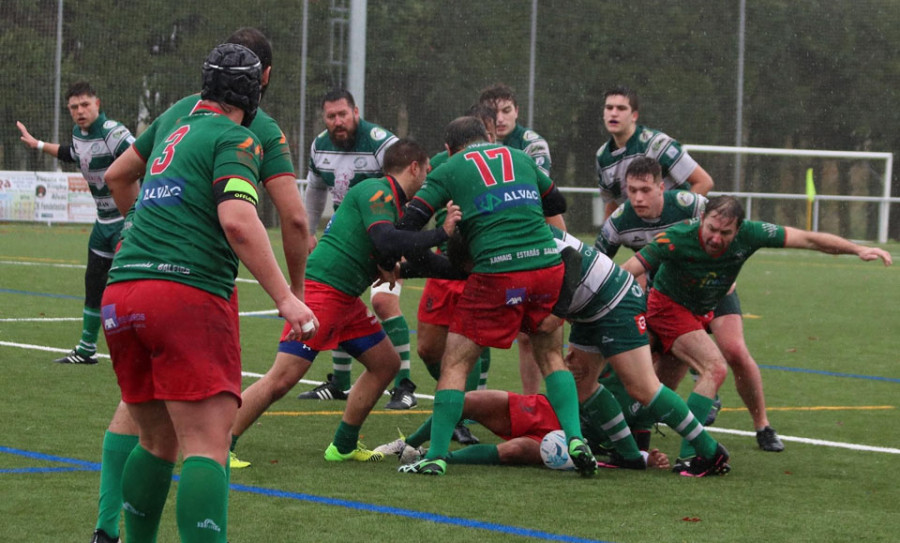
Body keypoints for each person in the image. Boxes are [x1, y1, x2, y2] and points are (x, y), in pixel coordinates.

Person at [86, 27, 312, 543]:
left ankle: (113, 534)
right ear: (257, 90)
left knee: (153, 440)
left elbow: (120, 176)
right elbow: (239, 219)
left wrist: (147, 238)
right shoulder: (238, 137)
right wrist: (286, 296)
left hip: (122, 293)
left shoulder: (174, 125)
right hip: (185, 294)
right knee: (208, 446)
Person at [232, 139, 461, 465]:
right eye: (427, 169)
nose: (428, 176)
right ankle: (221, 445)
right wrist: (442, 234)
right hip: (324, 293)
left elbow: (404, 255)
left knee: (386, 365)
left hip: (346, 300)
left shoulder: (393, 204)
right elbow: (386, 239)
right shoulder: (377, 192)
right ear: (414, 167)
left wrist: (464, 272)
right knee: (281, 378)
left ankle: (342, 446)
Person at [621, 195, 892, 469]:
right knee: (714, 368)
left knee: (658, 386)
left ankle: (631, 444)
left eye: (725, 233)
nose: (716, 238)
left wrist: (856, 249)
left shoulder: (752, 233)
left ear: (738, 230)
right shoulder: (678, 236)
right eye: (711, 229)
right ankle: (692, 455)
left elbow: (808, 239)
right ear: (702, 220)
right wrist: (603, 305)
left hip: (701, 311)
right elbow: (630, 270)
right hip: (667, 307)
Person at [395, 116, 596, 477]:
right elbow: (558, 203)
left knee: (455, 364)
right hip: (547, 267)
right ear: (487, 137)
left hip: (497, 272)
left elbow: (408, 225)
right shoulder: (520, 156)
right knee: (551, 355)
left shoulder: (449, 167)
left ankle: (436, 455)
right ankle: (576, 438)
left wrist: (448, 230)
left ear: (448, 149)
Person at [597, 157, 785, 452]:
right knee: (645, 353)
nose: (638, 197)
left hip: (714, 288)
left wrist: (726, 266)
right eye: (631, 190)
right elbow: (601, 264)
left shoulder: (688, 204)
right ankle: (638, 425)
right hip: (671, 294)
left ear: (661, 188)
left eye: (645, 190)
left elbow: (723, 221)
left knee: (734, 351)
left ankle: (762, 426)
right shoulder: (619, 221)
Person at [299, 89, 417, 410]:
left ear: (356, 111)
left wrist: (402, 238)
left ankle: (404, 385)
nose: (337, 122)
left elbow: (410, 185)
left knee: (382, 301)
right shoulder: (320, 145)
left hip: (385, 236)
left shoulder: (381, 143)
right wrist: (308, 232)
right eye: (330, 116)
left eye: (343, 114)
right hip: (346, 239)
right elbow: (315, 190)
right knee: (341, 300)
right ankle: (339, 383)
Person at [17, 81, 134, 365]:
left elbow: (142, 157)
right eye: (74, 107)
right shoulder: (79, 135)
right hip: (102, 223)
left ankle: (141, 353)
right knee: (93, 285)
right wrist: (38, 144)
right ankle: (86, 349)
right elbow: (73, 153)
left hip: (127, 223)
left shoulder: (113, 133)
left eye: (85, 105)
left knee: (127, 290)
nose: (80, 111)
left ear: (98, 104)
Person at [417, 103, 498, 446]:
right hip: (445, 264)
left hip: (482, 265)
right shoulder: (443, 164)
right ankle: (462, 405)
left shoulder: (510, 161)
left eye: (492, 134)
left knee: (471, 344)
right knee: (428, 348)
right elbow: (419, 202)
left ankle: (460, 414)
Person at [479, 82, 554, 395]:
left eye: (507, 111)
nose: (501, 118)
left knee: (534, 331)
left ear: (517, 111)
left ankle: (532, 402)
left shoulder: (533, 145)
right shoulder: (475, 142)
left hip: (530, 240)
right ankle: (473, 405)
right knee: (474, 327)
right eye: (494, 112)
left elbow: (536, 195)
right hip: (489, 242)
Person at [596, 85, 714, 220]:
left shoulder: (656, 144)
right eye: (609, 108)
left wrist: (675, 224)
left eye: (621, 108)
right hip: (642, 238)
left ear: (634, 116)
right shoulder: (602, 157)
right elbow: (612, 205)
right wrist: (605, 238)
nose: (614, 113)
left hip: (672, 234)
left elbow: (704, 182)